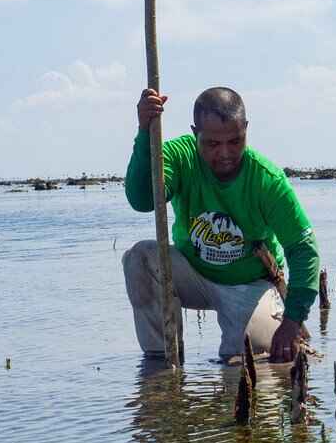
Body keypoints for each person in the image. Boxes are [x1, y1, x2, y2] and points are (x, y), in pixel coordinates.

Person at [123, 85, 318, 363]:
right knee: (139, 257)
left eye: (235, 141)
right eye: (212, 144)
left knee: (255, 363)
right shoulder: (179, 156)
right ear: (195, 133)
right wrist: (145, 135)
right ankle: (161, 366)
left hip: (248, 283)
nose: (225, 153)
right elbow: (142, 200)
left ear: (246, 129)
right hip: (192, 274)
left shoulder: (267, 180)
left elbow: (303, 250)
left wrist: (292, 321)